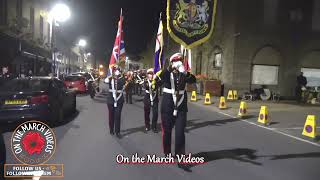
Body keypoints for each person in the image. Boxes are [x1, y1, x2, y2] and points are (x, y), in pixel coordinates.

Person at [153, 53, 196, 170]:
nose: (179, 64)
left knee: (180, 133)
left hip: (181, 107)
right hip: (167, 107)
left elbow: (193, 80)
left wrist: (185, 72)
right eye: (176, 62)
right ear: (172, 62)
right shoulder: (167, 74)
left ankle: (181, 159)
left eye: (180, 61)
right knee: (167, 132)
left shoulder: (183, 74)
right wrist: (170, 68)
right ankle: (167, 153)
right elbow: (161, 76)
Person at [106, 65, 127, 138]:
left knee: (118, 116)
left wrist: (120, 76)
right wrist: (111, 76)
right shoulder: (110, 78)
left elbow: (124, 83)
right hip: (110, 99)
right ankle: (111, 129)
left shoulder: (122, 79)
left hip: (119, 99)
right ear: (113, 71)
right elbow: (106, 80)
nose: (116, 71)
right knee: (111, 116)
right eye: (115, 70)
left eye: (118, 70)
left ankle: (117, 131)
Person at [144, 68, 159, 133]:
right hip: (147, 98)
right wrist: (152, 82)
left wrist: (157, 78)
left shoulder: (156, 81)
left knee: (155, 113)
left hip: (155, 98)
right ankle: (147, 125)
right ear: (147, 75)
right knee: (147, 113)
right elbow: (146, 87)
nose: (150, 75)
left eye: (152, 74)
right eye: (149, 74)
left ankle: (154, 126)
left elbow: (161, 83)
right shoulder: (145, 81)